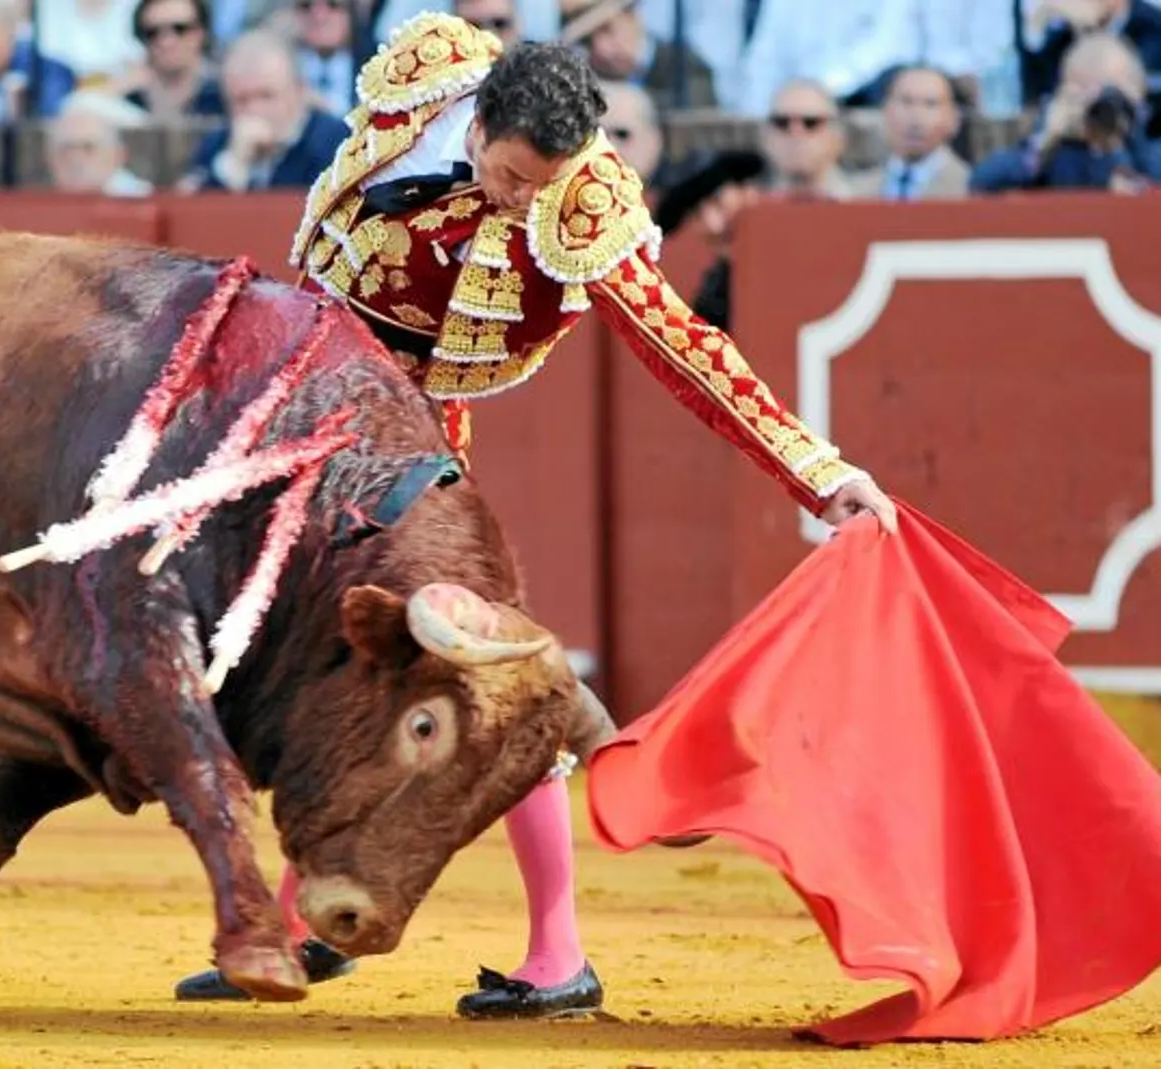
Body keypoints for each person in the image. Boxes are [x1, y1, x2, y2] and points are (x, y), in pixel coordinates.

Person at [170, 12, 896, 1020]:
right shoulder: (428, 71)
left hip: (413, 439)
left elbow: (685, 350)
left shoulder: (584, 208)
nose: (521, 199)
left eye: (538, 184)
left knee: (489, 682)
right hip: (305, 401)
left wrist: (816, 472)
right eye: (511, 175)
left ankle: (557, 954)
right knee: (315, 658)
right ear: (476, 121)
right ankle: (299, 929)